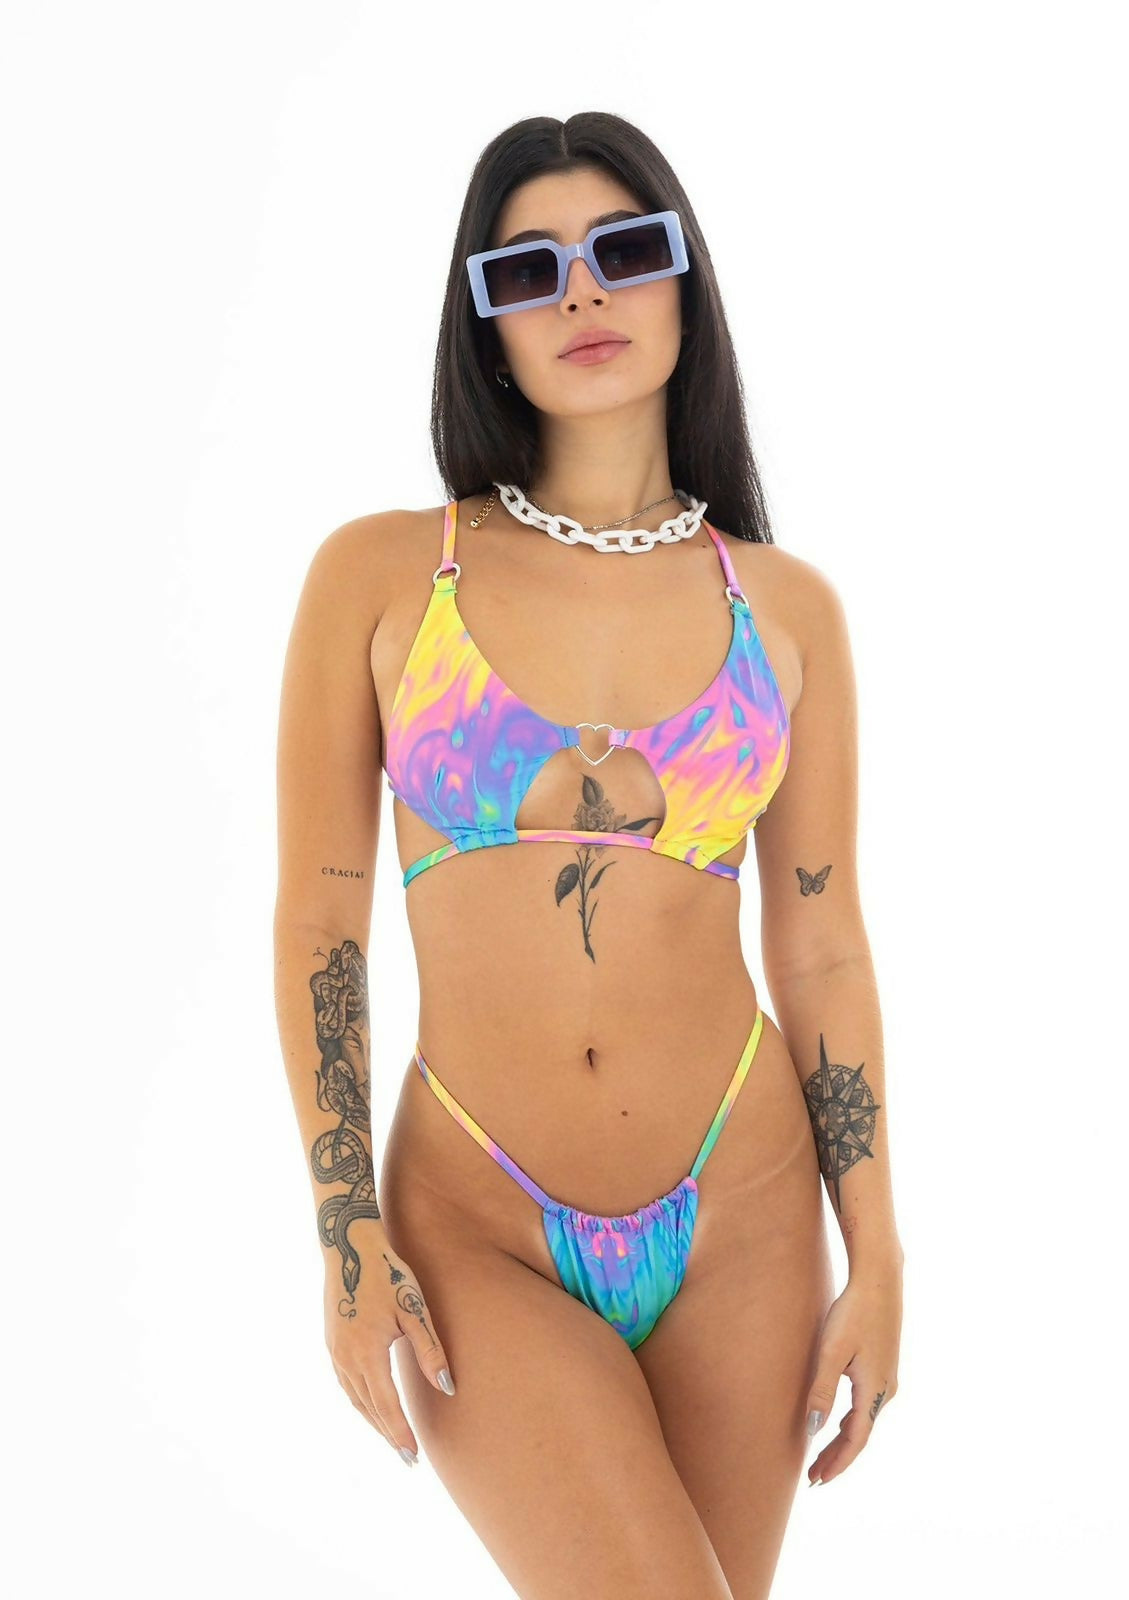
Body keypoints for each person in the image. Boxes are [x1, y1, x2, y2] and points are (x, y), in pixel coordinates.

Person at [274, 111, 903, 1600]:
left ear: (687, 281)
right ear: (483, 324)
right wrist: (348, 1232)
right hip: (475, 1221)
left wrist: (877, 1248)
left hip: (746, 1211)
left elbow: (822, 944)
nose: (581, 292)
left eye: (625, 251)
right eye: (527, 269)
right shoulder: (384, 574)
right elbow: (319, 927)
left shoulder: (786, 611)